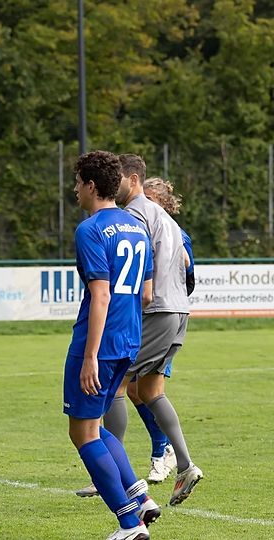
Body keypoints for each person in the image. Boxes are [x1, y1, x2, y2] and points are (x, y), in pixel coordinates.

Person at [64, 150, 156, 540]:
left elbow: (100, 295)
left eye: (77, 182)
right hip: (129, 338)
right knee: (96, 425)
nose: (74, 189)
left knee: (82, 433)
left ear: (89, 184)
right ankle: (139, 496)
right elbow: (147, 295)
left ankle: (129, 522)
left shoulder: (90, 230)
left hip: (98, 342)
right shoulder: (136, 226)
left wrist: (89, 356)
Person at [111, 155, 203, 507]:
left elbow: (143, 273)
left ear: (132, 179)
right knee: (149, 389)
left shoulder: (135, 213)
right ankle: (184, 464)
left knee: (116, 383)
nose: (111, 185)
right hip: (179, 311)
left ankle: (109, 472)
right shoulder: (165, 218)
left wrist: (140, 301)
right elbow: (185, 267)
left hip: (158, 309)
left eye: (116, 179)